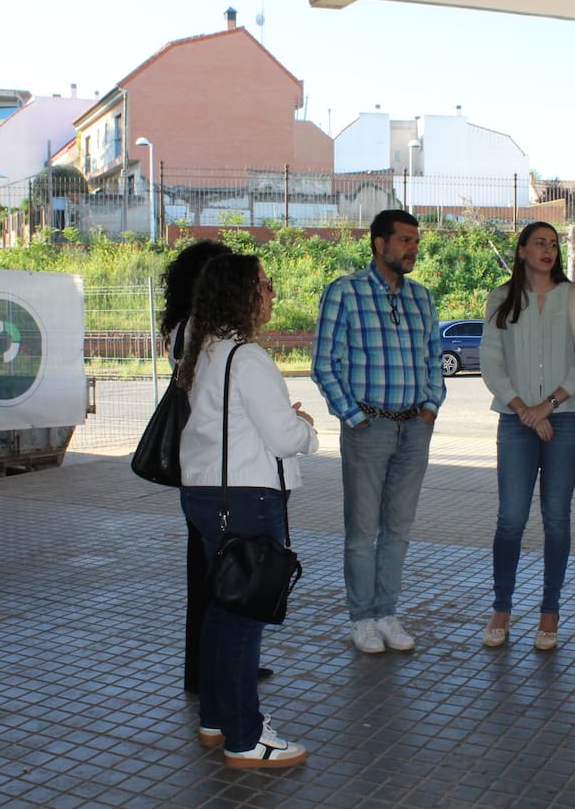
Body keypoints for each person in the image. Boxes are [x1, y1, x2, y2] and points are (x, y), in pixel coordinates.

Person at [178, 253, 318, 768]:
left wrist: (283, 420)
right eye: (264, 283)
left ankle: (216, 719)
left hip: (207, 495)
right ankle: (245, 737)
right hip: (247, 498)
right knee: (244, 620)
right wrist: (307, 429)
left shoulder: (205, 349)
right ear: (243, 294)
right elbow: (283, 437)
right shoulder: (248, 357)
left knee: (223, 610)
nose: (272, 292)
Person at [311, 209, 445, 654]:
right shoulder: (344, 292)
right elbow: (324, 364)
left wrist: (430, 407)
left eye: (416, 241)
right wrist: (354, 417)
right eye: (405, 240)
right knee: (362, 531)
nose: (413, 249)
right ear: (379, 243)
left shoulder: (421, 297)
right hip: (367, 428)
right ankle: (362, 619)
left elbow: (433, 359)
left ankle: (387, 614)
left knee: (398, 529)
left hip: (414, 429)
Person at [478, 221, 575, 651]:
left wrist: (546, 406)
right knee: (511, 518)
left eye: (553, 244)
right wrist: (524, 411)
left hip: (565, 419)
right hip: (516, 422)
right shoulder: (500, 298)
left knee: (556, 516)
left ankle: (550, 612)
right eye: (539, 243)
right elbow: (491, 365)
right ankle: (501, 608)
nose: (548, 250)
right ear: (522, 251)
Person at [158, 238, 233, 695]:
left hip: (196, 462)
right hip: (207, 461)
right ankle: (208, 670)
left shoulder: (182, 325)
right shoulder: (199, 331)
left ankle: (210, 665)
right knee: (211, 570)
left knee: (206, 566)